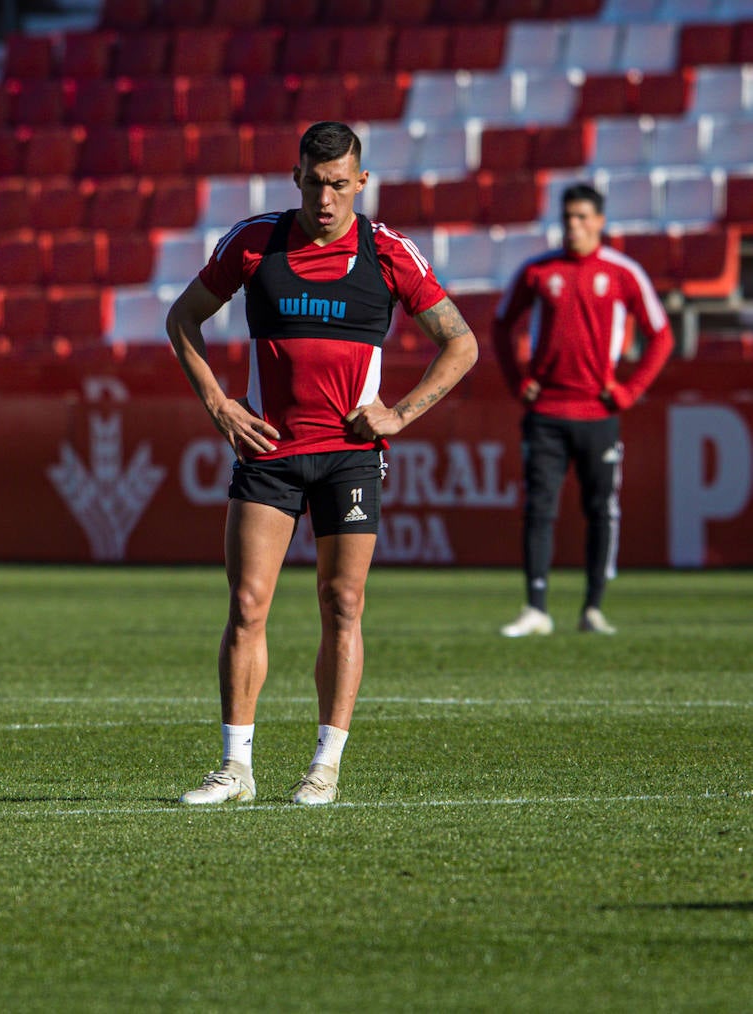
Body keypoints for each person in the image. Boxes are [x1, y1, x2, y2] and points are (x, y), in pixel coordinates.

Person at [166, 121, 478, 806]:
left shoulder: (387, 252)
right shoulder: (255, 242)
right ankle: (235, 769)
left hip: (349, 461)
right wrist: (219, 404)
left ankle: (325, 766)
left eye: (341, 184)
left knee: (343, 603)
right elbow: (182, 318)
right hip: (270, 455)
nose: (327, 197)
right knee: (248, 605)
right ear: (297, 179)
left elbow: (460, 343)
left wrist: (398, 414)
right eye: (315, 183)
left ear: (360, 183)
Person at [494, 183, 673, 638]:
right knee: (539, 508)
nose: (573, 225)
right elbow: (500, 325)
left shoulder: (622, 272)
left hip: (599, 414)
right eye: (567, 217)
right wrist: (520, 381)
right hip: (547, 413)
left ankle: (593, 608)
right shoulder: (538, 270)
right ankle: (536, 607)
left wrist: (629, 391)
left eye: (581, 217)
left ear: (599, 222)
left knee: (601, 510)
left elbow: (661, 335)